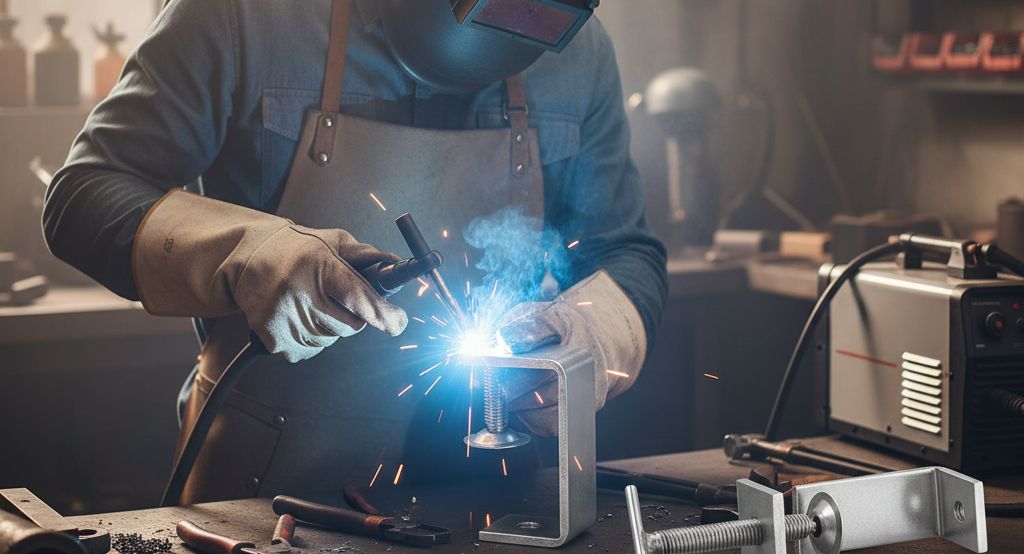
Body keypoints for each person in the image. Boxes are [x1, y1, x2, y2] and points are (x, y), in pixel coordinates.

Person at [43, 0, 667, 503]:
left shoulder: (575, 50)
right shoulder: (245, 15)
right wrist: (247, 248)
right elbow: (83, 195)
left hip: (497, 492)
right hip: (263, 500)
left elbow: (625, 250)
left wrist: (593, 334)